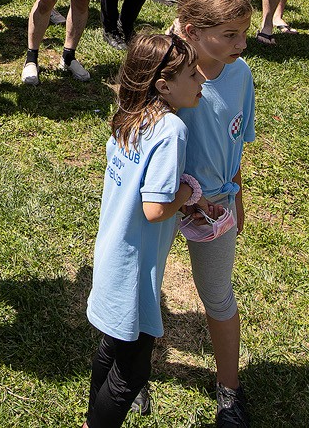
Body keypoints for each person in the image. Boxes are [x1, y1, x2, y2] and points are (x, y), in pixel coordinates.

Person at [82, 32, 211, 428]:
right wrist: (188, 192)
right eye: (192, 74)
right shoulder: (171, 130)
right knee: (133, 375)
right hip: (135, 267)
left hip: (112, 251)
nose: (202, 80)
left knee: (114, 344)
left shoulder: (128, 114)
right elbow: (154, 209)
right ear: (163, 85)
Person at [169, 0, 256, 428]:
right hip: (160, 203)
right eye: (230, 35)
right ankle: (134, 372)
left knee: (219, 297)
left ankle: (229, 390)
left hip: (218, 202)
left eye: (243, 32)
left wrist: (236, 196)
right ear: (188, 30)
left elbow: (236, 139)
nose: (241, 43)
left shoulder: (240, 74)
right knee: (145, 290)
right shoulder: (162, 71)